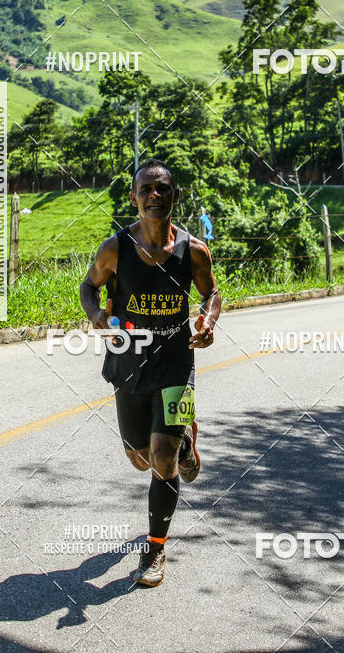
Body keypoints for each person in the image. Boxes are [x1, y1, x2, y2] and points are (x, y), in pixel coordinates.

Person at [80, 158, 221, 587]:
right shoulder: (115, 249)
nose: (154, 196)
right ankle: (184, 445)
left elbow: (211, 291)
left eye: (163, 189)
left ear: (174, 196)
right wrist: (95, 315)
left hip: (177, 364)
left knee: (160, 460)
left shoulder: (193, 250)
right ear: (134, 197)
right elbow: (89, 287)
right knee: (139, 458)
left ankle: (156, 549)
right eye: (146, 189)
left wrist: (209, 320)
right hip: (129, 364)